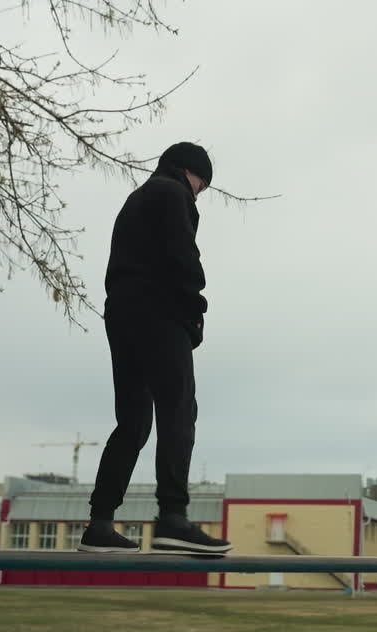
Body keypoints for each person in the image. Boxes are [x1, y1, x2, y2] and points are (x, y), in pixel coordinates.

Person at [78, 143, 231, 554]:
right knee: (179, 408)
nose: (200, 193)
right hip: (160, 314)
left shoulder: (136, 199)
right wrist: (195, 312)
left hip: (122, 315)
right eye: (203, 184)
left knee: (132, 422)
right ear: (190, 172)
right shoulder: (174, 193)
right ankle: (173, 519)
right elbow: (182, 256)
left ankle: (100, 523)